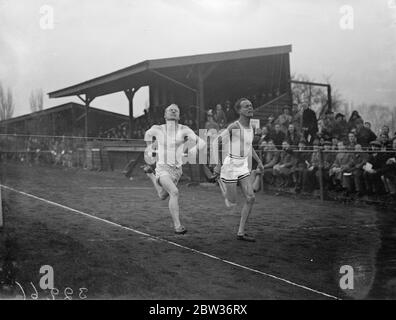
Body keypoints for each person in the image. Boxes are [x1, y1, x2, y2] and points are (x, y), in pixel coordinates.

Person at [143, 104, 206, 234]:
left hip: (177, 170)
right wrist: (150, 149)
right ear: (165, 115)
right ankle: (177, 226)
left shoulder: (185, 130)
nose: (173, 111)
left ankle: (151, 176)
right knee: (174, 192)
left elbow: (202, 143)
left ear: (179, 115)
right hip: (162, 168)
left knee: (162, 195)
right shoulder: (158, 128)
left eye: (176, 110)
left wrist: (191, 151)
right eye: (170, 110)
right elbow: (147, 135)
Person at [213, 98, 264, 242]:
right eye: (246, 106)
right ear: (239, 110)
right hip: (230, 165)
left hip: (242, 166)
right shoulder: (234, 126)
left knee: (251, 197)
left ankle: (241, 232)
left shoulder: (251, 128)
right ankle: (221, 184)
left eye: (251, 106)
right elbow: (217, 141)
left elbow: (249, 147)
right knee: (231, 203)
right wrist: (217, 164)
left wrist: (259, 161)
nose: (250, 108)